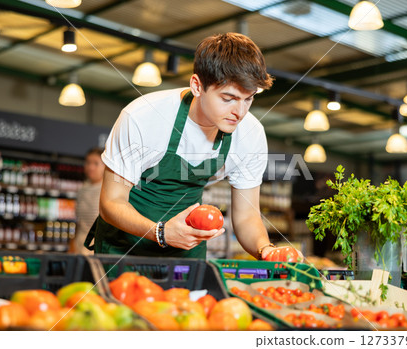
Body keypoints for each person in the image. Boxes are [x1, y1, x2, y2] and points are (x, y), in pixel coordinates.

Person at [84, 33, 301, 261]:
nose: (240, 112)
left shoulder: (250, 135)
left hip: (186, 252)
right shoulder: (143, 118)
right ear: (197, 86)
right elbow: (111, 202)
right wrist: (162, 233)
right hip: (123, 248)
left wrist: (265, 249)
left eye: (248, 99)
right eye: (228, 98)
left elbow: (247, 216)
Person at [72, 147, 105, 255]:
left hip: (96, 246)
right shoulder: (82, 189)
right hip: (79, 244)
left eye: (96, 163)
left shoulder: (106, 190)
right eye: (88, 162)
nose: (91, 167)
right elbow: (78, 222)